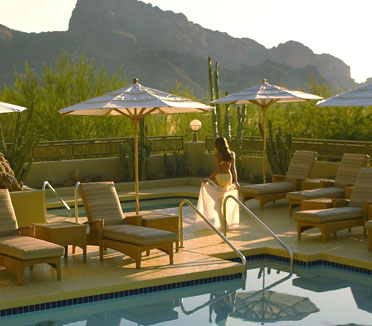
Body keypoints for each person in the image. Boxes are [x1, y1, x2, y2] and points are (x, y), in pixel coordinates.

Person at [195, 137, 240, 230]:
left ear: (217, 146)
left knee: (218, 202)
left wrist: (208, 178)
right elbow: (234, 168)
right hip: (228, 177)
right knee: (221, 201)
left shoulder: (217, 155)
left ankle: (224, 225)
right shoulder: (232, 154)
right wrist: (236, 181)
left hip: (219, 177)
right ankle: (223, 222)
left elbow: (218, 170)